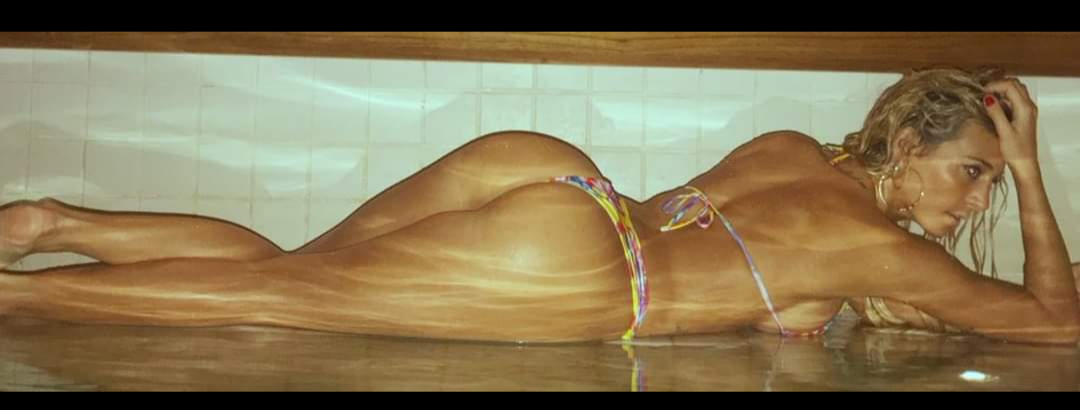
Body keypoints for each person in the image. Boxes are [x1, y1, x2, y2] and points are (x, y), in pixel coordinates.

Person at [0, 68, 1076, 345]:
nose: (980, 191)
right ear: (906, 147)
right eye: (974, 170)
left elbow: (746, 264)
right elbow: (1053, 322)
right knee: (272, 307)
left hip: (557, 177)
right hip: (584, 269)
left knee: (283, 271)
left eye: (994, 176)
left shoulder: (790, 151)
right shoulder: (875, 246)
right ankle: (16, 296)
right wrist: (1035, 171)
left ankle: (56, 223)